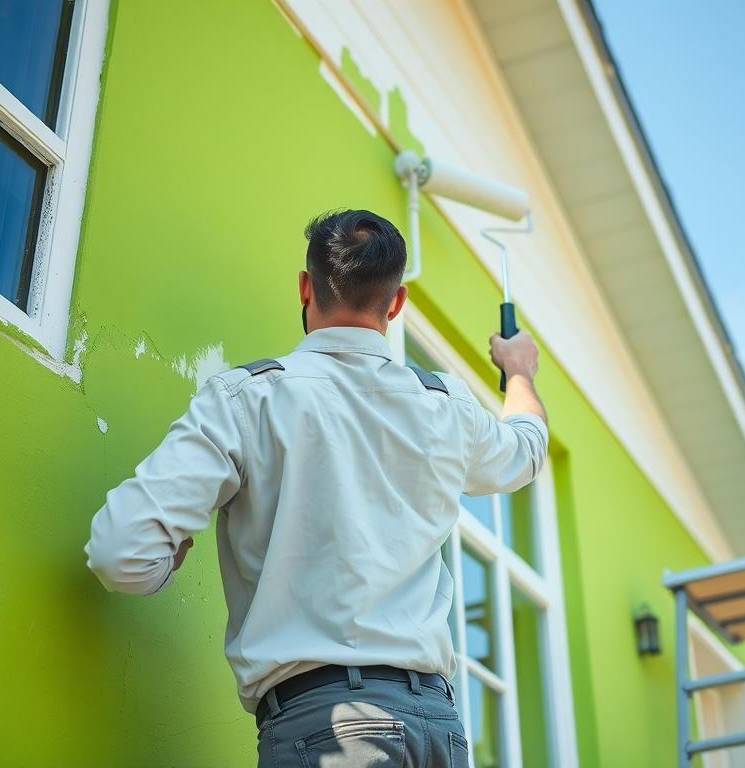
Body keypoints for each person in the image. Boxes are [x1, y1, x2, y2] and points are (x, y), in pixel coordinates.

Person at [84, 208, 549, 767]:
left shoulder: (247, 399)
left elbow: (121, 553)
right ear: (396, 303)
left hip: (330, 728)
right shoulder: (445, 405)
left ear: (306, 287)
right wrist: (518, 371)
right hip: (438, 732)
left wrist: (166, 560)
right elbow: (526, 450)